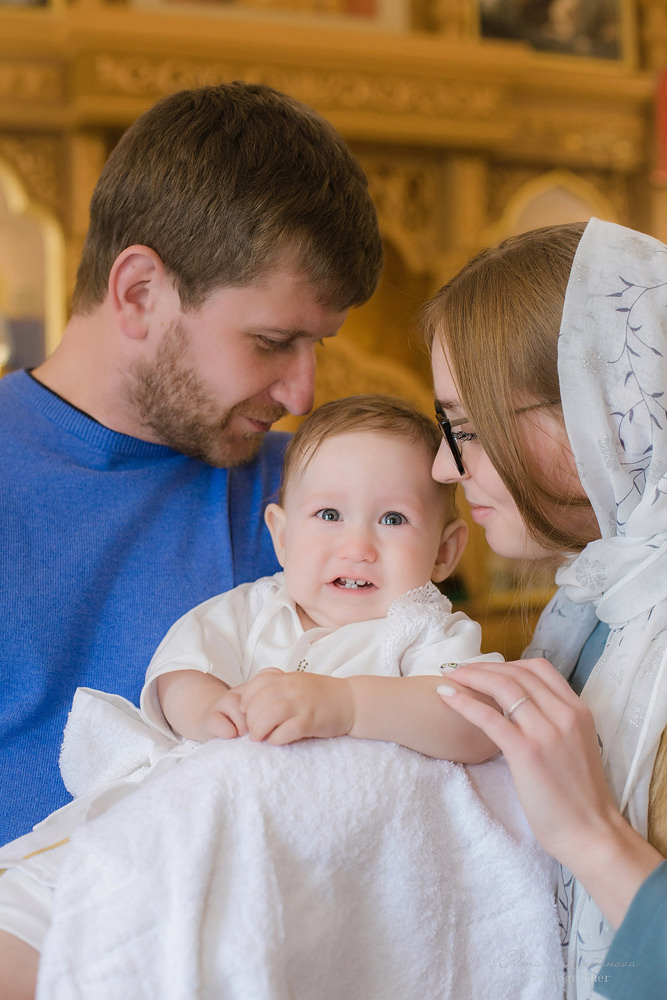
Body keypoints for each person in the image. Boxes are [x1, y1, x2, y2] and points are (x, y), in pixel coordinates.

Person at [0, 394, 502, 998]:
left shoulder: (423, 629)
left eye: (392, 520)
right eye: (328, 515)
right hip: (175, 809)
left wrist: (347, 706)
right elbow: (179, 672)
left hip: (297, 855)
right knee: (41, 897)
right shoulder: (249, 610)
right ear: (282, 535)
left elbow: (472, 721)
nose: (358, 546)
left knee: (156, 935)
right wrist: (213, 710)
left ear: (445, 552)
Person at [0, 81, 383, 847]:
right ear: (139, 291)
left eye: (319, 346)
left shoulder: (318, 498)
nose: (302, 392)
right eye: (272, 343)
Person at [424, 218, 667, 1000]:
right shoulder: (601, 604)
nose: (442, 465)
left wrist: (591, 836)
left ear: (602, 408)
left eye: (465, 427)